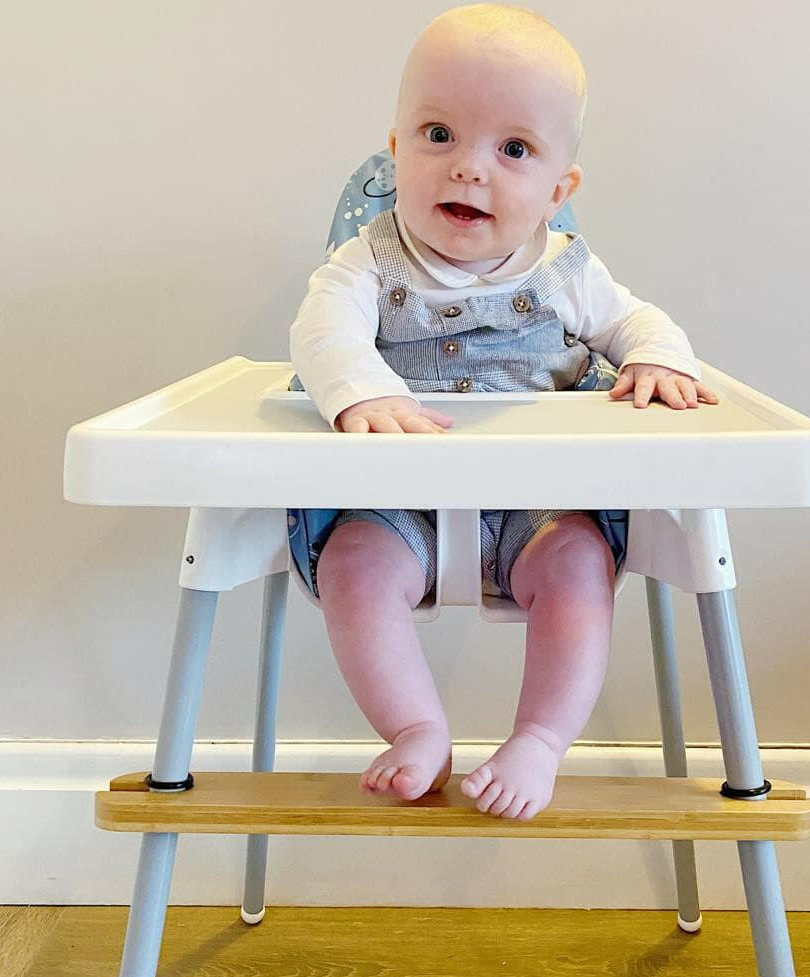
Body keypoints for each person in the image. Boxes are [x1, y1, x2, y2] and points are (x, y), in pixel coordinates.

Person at [290, 3, 718, 821]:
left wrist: (658, 359)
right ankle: (416, 726)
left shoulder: (565, 269)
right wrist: (363, 390)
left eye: (512, 149)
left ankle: (541, 740)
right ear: (395, 148)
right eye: (438, 134)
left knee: (580, 568)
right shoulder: (365, 264)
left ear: (559, 190)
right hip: (399, 503)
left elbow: (637, 321)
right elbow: (321, 332)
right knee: (352, 568)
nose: (468, 168)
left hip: (540, 507)